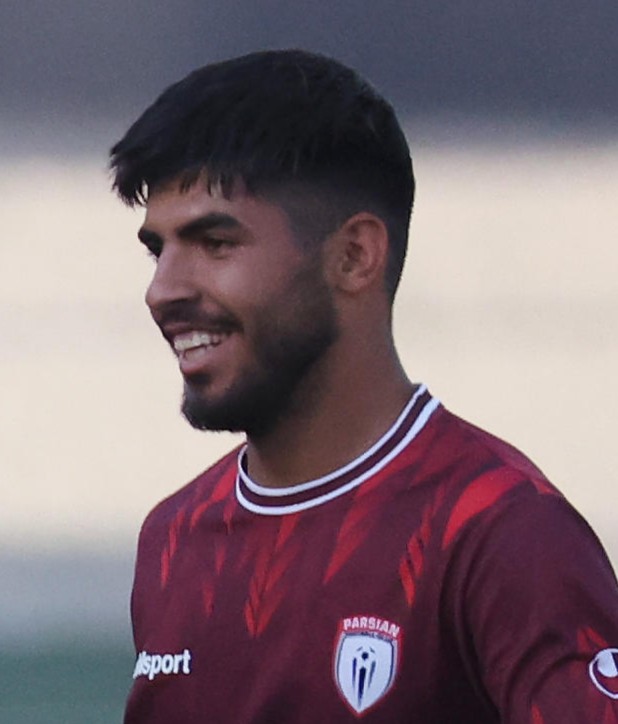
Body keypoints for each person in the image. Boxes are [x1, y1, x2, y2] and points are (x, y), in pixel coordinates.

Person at [110, 49, 618, 723]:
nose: (162, 290)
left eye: (215, 243)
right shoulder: (173, 540)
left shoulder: (502, 535)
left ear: (354, 256)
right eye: (158, 249)